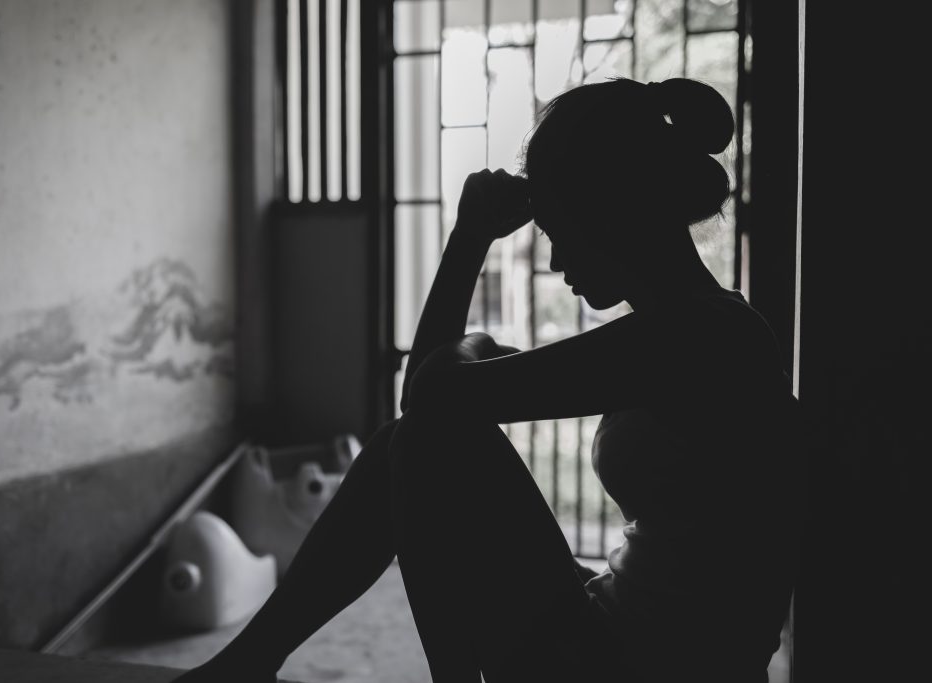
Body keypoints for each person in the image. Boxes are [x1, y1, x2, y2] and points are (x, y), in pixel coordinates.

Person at [174, 77, 802, 683]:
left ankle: (257, 664)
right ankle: (248, 663)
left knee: (417, 439)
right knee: (408, 439)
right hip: (628, 637)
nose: (556, 264)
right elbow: (427, 397)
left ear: (610, 210)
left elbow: (435, 398)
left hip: (642, 668)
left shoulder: (700, 338)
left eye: (559, 234)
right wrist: (466, 252)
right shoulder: (698, 325)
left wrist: (470, 241)